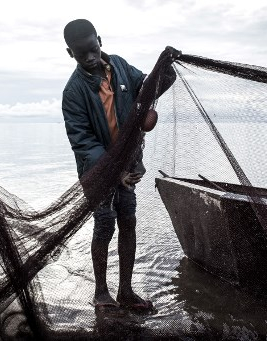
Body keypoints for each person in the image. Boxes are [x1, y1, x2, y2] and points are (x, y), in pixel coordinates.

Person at [61, 19, 179, 311]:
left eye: (92, 49)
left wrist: (166, 68)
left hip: (129, 167)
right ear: (69, 53)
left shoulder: (122, 67)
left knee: (128, 220)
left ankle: (125, 291)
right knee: (104, 224)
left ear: (99, 40)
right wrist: (114, 173)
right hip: (98, 171)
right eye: (80, 54)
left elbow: (149, 88)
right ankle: (101, 293)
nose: (88, 57)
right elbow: (84, 142)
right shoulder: (73, 92)